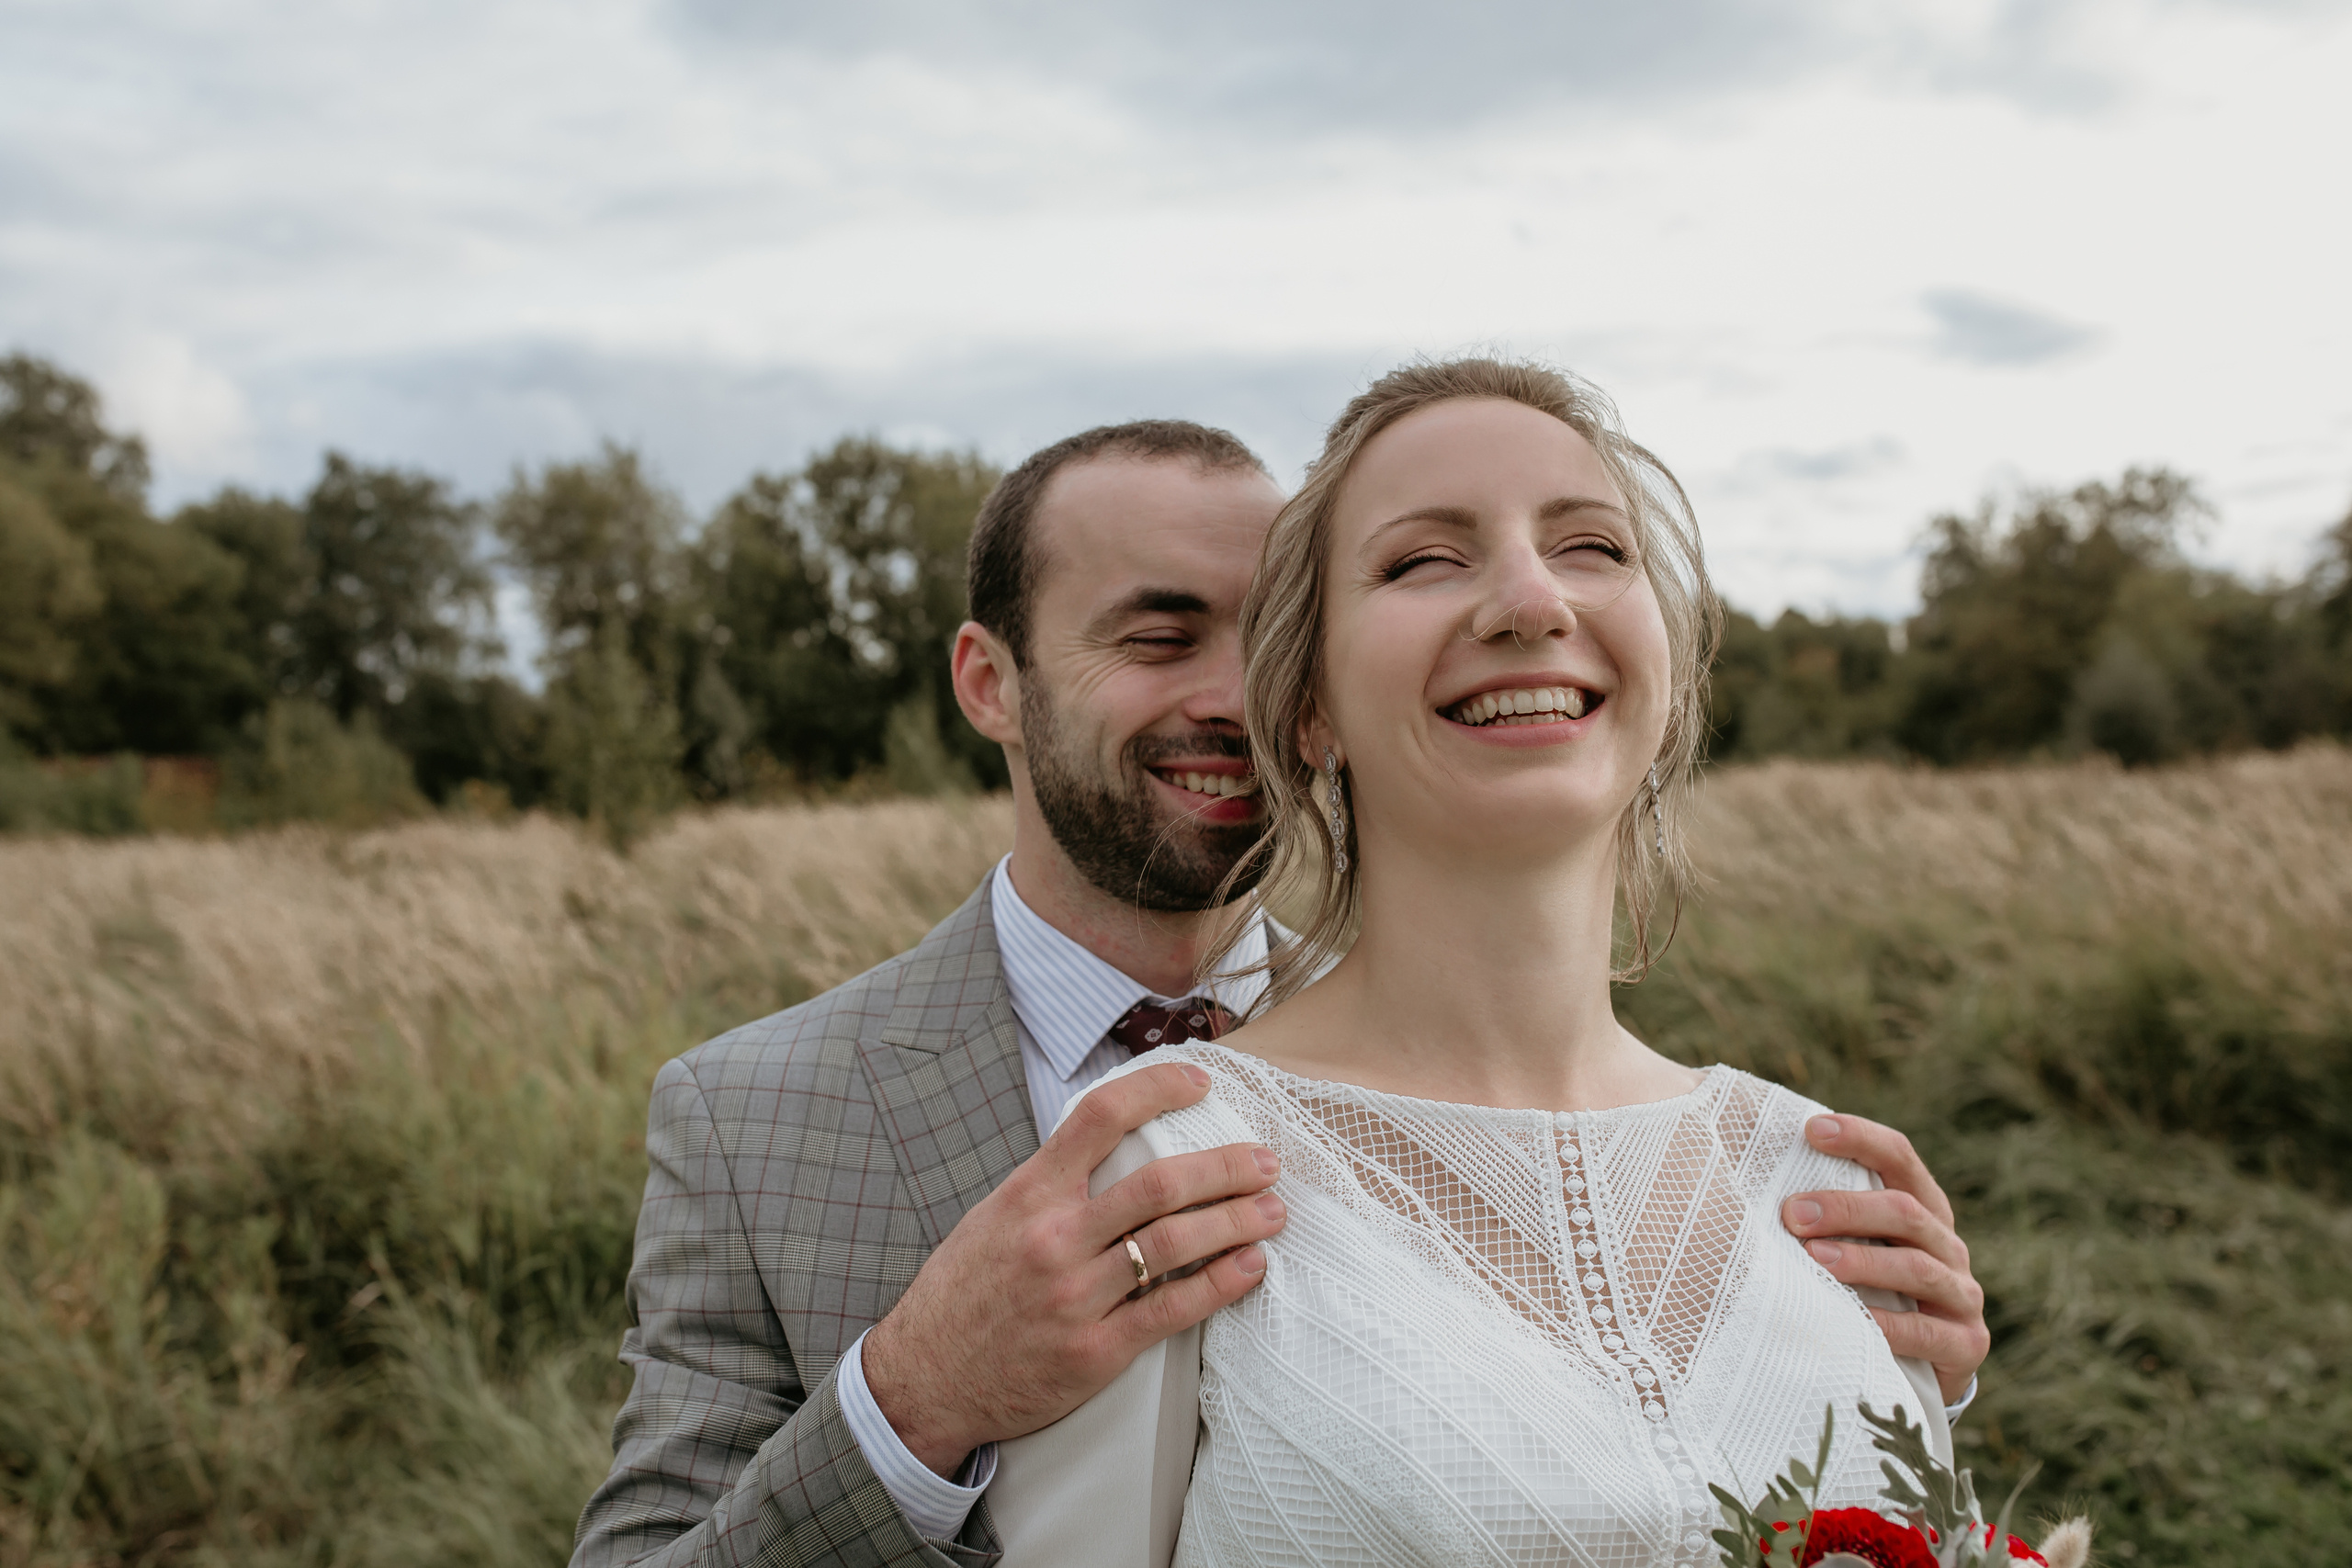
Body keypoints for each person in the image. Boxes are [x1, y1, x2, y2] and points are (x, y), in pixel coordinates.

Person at [571, 411, 1989, 1568]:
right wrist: (916, 1398)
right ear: (990, 683)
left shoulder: (1534, 1063)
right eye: (1158, 638)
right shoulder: (754, 1118)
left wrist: (1854, 1375)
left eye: (1270, 643)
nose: (1232, 698)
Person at [986, 359, 1990, 1566]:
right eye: (1423, 560)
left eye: (1593, 548)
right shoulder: (1169, 1175)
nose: (1529, 600)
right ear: (1307, 709)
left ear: (1667, 673)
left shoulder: (1820, 1178)